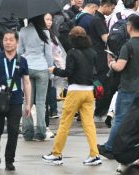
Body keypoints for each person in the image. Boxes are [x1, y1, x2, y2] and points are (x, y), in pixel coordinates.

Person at [44, 26, 103, 167]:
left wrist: (55, 70)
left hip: (75, 91)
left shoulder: (72, 53)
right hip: (89, 92)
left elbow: (68, 72)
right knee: (89, 124)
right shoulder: (93, 53)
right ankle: (95, 154)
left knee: (65, 123)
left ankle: (56, 154)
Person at [106, 15, 139, 153]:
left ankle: (110, 146)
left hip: (128, 88)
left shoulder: (128, 45)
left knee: (120, 119)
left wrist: (112, 63)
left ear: (130, 27)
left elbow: (120, 67)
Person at [0, 30, 31, 171]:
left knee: (13, 131)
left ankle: (9, 160)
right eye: (6, 39)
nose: (8, 42)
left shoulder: (22, 61)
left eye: (11, 40)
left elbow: (27, 82)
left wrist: (28, 103)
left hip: (16, 100)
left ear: (17, 43)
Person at [19, 14, 54, 142]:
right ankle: (40, 131)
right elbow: (48, 54)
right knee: (41, 102)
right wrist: (51, 69)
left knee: (27, 101)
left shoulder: (23, 31)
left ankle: (27, 132)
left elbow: (20, 51)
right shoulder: (45, 31)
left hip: (27, 68)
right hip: (42, 67)